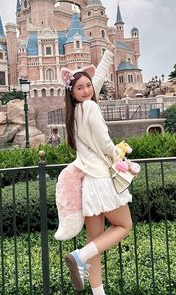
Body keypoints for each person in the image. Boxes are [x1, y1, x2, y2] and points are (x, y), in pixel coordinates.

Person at [60, 40, 133, 295]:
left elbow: (97, 78)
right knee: (124, 226)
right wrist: (120, 157)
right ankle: (79, 255)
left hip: (87, 185)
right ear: (73, 92)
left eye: (87, 85)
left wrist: (109, 53)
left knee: (95, 245)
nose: (87, 89)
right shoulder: (90, 106)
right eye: (80, 87)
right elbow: (104, 142)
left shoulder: (75, 112)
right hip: (101, 181)